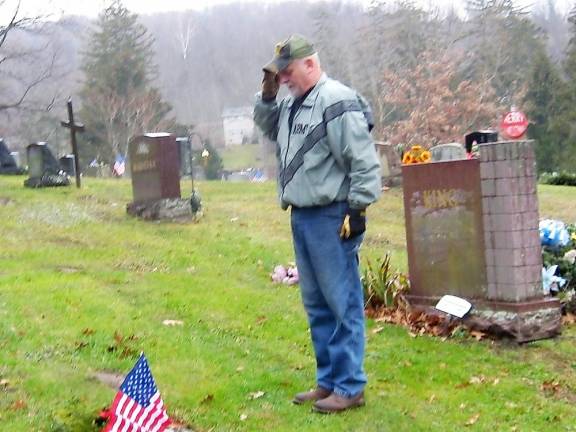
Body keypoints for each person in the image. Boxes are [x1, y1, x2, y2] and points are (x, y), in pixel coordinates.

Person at [253, 34, 381, 414]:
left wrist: (357, 210)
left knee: (342, 303)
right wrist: (266, 94)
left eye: (288, 72)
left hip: (331, 215)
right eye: (280, 75)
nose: (284, 79)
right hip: (303, 215)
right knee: (317, 304)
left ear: (310, 64)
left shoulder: (336, 100)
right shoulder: (294, 104)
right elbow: (268, 126)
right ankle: (328, 381)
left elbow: (363, 160)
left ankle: (349, 386)